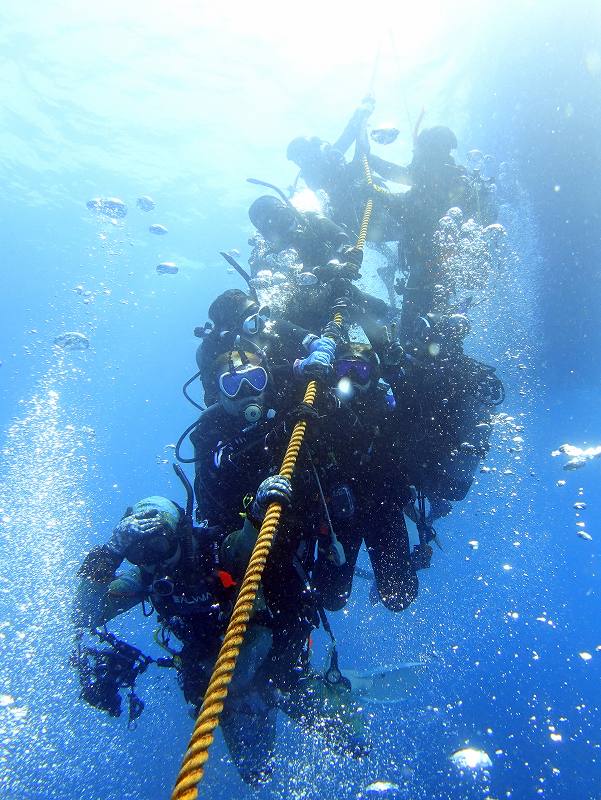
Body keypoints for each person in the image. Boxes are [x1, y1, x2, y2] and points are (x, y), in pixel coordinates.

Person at [72, 493, 370, 786]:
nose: (152, 559)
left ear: (179, 534)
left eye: (159, 544)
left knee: (322, 718)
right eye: (138, 551)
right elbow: (86, 613)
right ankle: (263, 708)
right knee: (257, 773)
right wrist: (110, 552)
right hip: (217, 679)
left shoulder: (214, 550)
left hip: (263, 654)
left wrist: (257, 509)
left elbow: (247, 545)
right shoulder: (144, 578)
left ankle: (322, 697)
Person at [248, 194, 349, 274]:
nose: (283, 228)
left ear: (291, 212)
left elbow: (340, 238)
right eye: (271, 225)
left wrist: (348, 252)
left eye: (283, 217)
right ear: (265, 234)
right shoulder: (266, 254)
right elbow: (262, 286)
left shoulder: (311, 220)